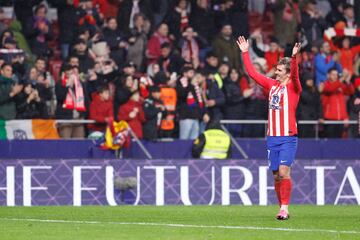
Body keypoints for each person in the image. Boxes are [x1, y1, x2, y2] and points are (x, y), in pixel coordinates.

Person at [237, 36, 302, 220]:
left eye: (280, 70)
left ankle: (285, 209)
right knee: (275, 175)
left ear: (287, 73)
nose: (276, 72)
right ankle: (281, 207)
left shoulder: (294, 87)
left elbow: (296, 75)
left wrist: (294, 58)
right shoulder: (272, 85)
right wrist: (245, 52)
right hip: (272, 137)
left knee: (283, 172)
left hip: (288, 136)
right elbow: (252, 73)